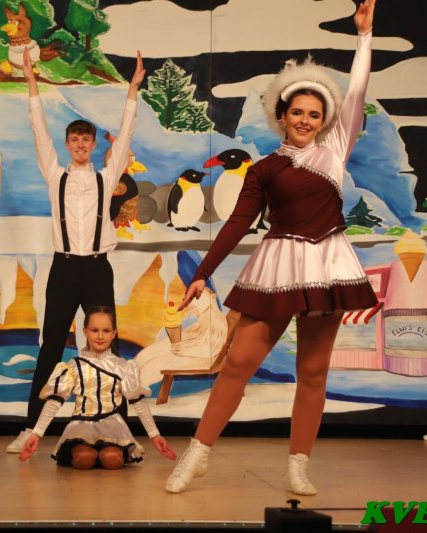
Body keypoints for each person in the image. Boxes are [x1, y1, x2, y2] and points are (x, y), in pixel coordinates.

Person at [165, 0, 378, 495]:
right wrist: (202, 273)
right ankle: (197, 454)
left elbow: (357, 92)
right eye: (297, 112)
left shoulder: (334, 151)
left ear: (325, 121)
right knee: (239, 363)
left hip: (327, 267)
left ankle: (298, 465)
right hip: (277, 266)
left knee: (313, 372)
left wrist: (364, 38)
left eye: (314, 114)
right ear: (282, 115)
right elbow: (239, 222)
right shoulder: (263, 169)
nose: (305, 120)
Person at [5, 48, 146, 452]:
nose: (81, 144)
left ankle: (118, 430)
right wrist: (31, 81)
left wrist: (133, 90)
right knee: (52, 345)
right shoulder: (55, 175)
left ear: (93, 145)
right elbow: (38, 130)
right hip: (64, 269)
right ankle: (31, 428)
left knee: (108, 347)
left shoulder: (107, 177)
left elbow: (127, 133)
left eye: (86, 139)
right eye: (75, 140)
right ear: (67, 145)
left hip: (98, 269)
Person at [19, 306, 176, 468]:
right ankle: (88, 454)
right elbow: (54, 402)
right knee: (84, 458)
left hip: (112, 427)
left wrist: (155, 435)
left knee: (112, 459)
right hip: (81, 427)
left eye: (106, 331)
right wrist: (36, 434)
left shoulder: (122, 366)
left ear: (113, 333)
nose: (100, 336)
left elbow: (139, 403)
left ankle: (104, 454)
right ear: (85, 332)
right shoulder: (74, 366)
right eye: (94, 330)